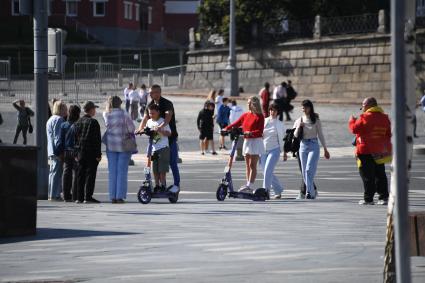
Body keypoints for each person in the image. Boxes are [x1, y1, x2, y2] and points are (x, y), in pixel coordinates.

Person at [137, 84, 180, 192]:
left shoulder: (167, 103)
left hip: (169, 138)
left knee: (172, 162)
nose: (150, 94)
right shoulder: (150, 104)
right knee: (155, 165)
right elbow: (145, 118)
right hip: (155, 140)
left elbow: (168, 116)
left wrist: (160, 127)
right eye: (149, 92)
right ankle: (158, 185)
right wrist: (139, 129)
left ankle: (176, 185)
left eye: (152, 92)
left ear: (158, 93)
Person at [349, 97, 392, 205]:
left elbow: (354, 129)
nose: (362, 108)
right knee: (380, 174)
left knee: (367, 175)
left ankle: (368, 199)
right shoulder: (385, 118)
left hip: (365, 150)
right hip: (379, 150)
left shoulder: (364, 117)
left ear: (368, 105)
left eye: (363, 106)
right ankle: (383, 197)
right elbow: (389, 134)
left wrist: (352, 120)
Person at [225, 96, 265, 193]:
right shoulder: (246, 115)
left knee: (252, 165)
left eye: (249, 103)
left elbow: (260, 131)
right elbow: (236, 123)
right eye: (247, 103)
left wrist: (251, 133)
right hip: (247, 141)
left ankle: (249, 185)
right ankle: (248, 185)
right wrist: (226, 129)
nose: (247, 105)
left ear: (254, 104)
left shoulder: (260, 116)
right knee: (247, 165)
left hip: (255, 141)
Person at [293, 100, 330, 200]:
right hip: (303, 145)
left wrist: (325, 149)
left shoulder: (316, 120)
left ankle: (310, 192)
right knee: (305, 171)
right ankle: (311, 192)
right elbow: (295, 135)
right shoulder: (299, 120)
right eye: (302, 107)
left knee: (309, 169)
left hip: (314, 145)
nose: (303, 109)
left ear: (310, 108)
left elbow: (321, 135)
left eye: (305, 107)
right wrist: (299, 127)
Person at [103, 96, 136, 204]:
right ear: (120, 103)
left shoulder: (106, 114)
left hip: (111, 146)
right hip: (123, 146)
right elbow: (132, 128)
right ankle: (119, 196)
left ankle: (112, 196)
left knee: (112, 172)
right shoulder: (124, 114)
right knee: (122, 172)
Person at [74, 101, 102, 204]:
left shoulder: (78, 122)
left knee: (80, 174)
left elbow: (75, 138)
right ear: (91, 109)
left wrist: (75, 153)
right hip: (91, 152)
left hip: (80, 152)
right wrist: (98, 154)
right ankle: (88, 196)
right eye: (94, 108)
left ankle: (79, 197)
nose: (95, 110)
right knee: (90, 175)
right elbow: (97, 140)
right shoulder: (93, 122)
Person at [260, 103, 286, 199]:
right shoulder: (264, 121)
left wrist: (285, 152)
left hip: (275, 150)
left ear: (277, 112)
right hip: (263, 149)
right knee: (266, 172)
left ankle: (265, 192)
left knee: (267, 171)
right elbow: (259, 133)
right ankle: (278, 190)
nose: (272, 112)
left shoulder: (280, 124)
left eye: (274, 110)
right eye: (271, 110)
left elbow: (284, 139)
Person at [146, 104, 172, 191]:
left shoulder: (162, 121)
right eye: (150, 113)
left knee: (162, 169)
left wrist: (161, 130)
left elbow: (169, 133)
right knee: (155, 169)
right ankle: (157, 185)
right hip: (153, 149)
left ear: (158, 112)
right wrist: (140, 131)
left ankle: (163, 185)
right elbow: (146, 130)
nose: (151, 115)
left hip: (163, 148)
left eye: (153, 113)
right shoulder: (149, 122)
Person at [46, 101, 67, 201]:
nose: (66, 110)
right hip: (56, 150)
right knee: (56, 173)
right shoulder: (60, 119)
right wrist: (59, 152)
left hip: (50, 150)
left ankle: (51, 194)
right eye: (65, 108)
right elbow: (58, 137)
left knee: (52, 172)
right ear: (61, 109)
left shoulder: (51, 119)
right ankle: (55, 195)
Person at [59, 104, 81, 202]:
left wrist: (59, 152)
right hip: (76, 151)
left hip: (66, 151)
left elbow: (60, 140)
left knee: (66, 172)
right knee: (76, 172)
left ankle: (66, 195)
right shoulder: (78, 125)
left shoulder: (64, 125)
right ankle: (75, 195)